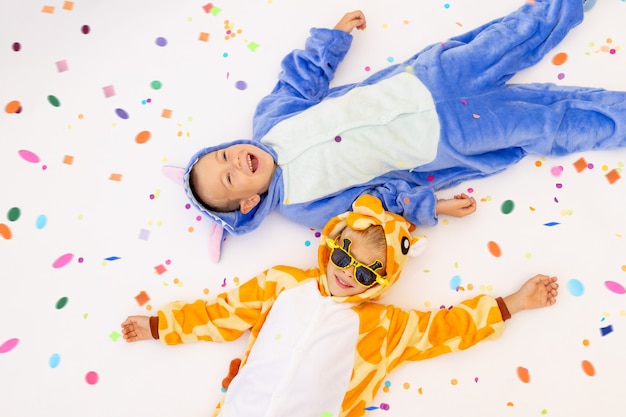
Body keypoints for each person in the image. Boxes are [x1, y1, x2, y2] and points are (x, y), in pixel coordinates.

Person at [168, 0, 625, 262]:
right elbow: (378, 208)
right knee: (548, 121)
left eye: (223, 154)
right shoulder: (302, 205)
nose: (234, 160)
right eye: (230, 176)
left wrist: (333, 39)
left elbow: (301, 79)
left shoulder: (271, 119)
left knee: (511, 36)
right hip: (449, 137)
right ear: (249, 201)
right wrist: (437, 206)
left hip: (429, 79)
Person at [121, 194, 559, 417]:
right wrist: (160, 325)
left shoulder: (385, 326)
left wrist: (513, 303)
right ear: (331, 245)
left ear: (383, 281)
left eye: (367, 273)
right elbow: (221, 313)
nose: (349, 274)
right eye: (345, 257)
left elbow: (445, 331)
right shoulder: (282, 283)